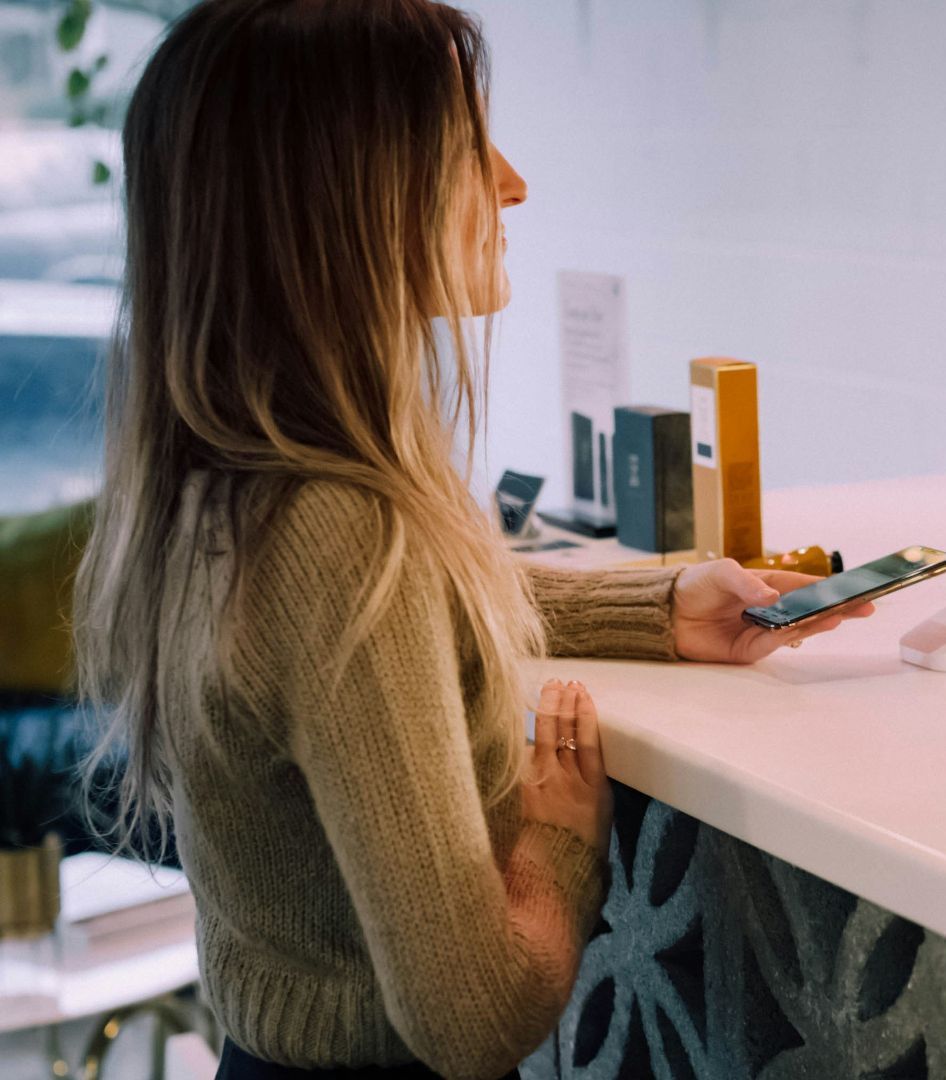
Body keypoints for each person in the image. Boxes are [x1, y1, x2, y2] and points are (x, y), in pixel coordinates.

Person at [70, 2, 869, 1077]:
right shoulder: (343, 535)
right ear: (345, 193)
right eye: (466, 149)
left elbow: (409, 617)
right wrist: (561, 841)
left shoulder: (235, 485)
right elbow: (474, 1014)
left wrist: (658, 610)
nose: (513, 185)